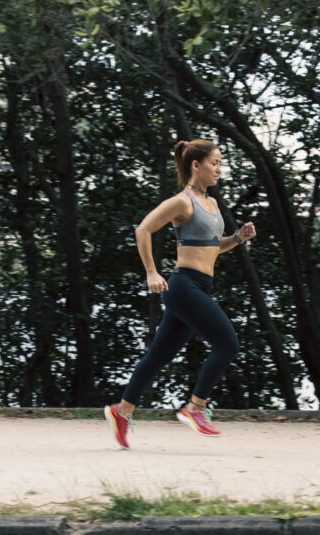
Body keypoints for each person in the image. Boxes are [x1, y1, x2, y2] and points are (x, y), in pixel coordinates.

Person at [104, 139, 256, 450]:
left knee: (158, 356)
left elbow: (213, 248)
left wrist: (238, 238)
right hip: (183, 286)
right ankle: (195, 408)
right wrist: (151, 271)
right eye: (214, 162)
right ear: (195, 165)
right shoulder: (182, 202)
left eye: (220, 162)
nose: (219, 168)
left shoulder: (211, 204)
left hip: (199, 285)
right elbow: (143, 229)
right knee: (227, 344)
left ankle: (122, 411)